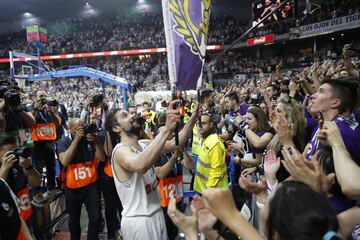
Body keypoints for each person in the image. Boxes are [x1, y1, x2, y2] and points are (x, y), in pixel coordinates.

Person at [105, 101, 198, 240]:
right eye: (125, 116)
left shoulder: (144, 143)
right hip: (138, 220)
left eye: (130, 113)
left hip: (156, 213)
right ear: (116, 128)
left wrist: (192, 119)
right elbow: (141, 165)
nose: (132, 116)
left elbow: (174, 144)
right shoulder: (119, 151)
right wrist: (166, 129)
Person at [57, 118, 105, 240]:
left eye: (83, 126)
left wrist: (97, 142)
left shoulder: (90, 139)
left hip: (91, 186)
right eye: (77, 128)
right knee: (73, 221)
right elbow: (65, 161)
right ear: (71, 129)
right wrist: (76, 140)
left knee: (95, 219)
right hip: (73, 189)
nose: (82, 130)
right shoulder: (63, 142)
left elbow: (102, 158)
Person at [31, 90, 62, 203]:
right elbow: (29, 122)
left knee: (51, 166)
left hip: (49, 141)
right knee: (36, 168)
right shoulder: (31, 108)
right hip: (36, 143)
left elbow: (58, 123)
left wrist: (52, 112)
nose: (43, 98)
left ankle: (51, 188)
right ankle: (37, 192)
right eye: (40, 96)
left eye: (44, 96)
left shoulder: (50, 109)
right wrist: (35, 109)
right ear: (35, 98)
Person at [193, 114, 228, 193]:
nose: (200, 126)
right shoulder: (205, 138)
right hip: (204, 189)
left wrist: (208, 190)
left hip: (213, 191)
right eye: (199, 124)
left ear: (211, 124)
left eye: (204, 123)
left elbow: (216, 172)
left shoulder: (214, 144)